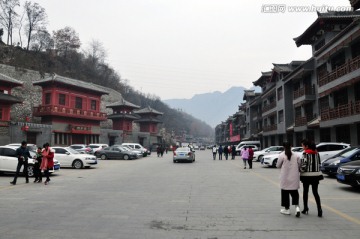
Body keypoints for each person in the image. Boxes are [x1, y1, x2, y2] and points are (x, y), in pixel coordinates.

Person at [276, 142, 301, 217]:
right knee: (295, 193)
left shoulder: (281, 155)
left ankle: (287, 209)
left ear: (283, 147)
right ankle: (297, 208)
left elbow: (278, 165)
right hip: (294, 177)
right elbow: (299, 164)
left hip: (285, 177)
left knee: (285, 193)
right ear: (291, 146)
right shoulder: (296, 155)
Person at [300, 139, 324, 217]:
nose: (302, 147)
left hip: (307, 176)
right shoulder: (317, 153)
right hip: (316, 176)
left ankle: (305, 208)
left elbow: (303, 166)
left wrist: (299, 170)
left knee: (305, 192)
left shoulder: (305, 153)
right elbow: (319, 163)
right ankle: (319, 209)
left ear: (306, 146)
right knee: (315, 192)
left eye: (303, 146)